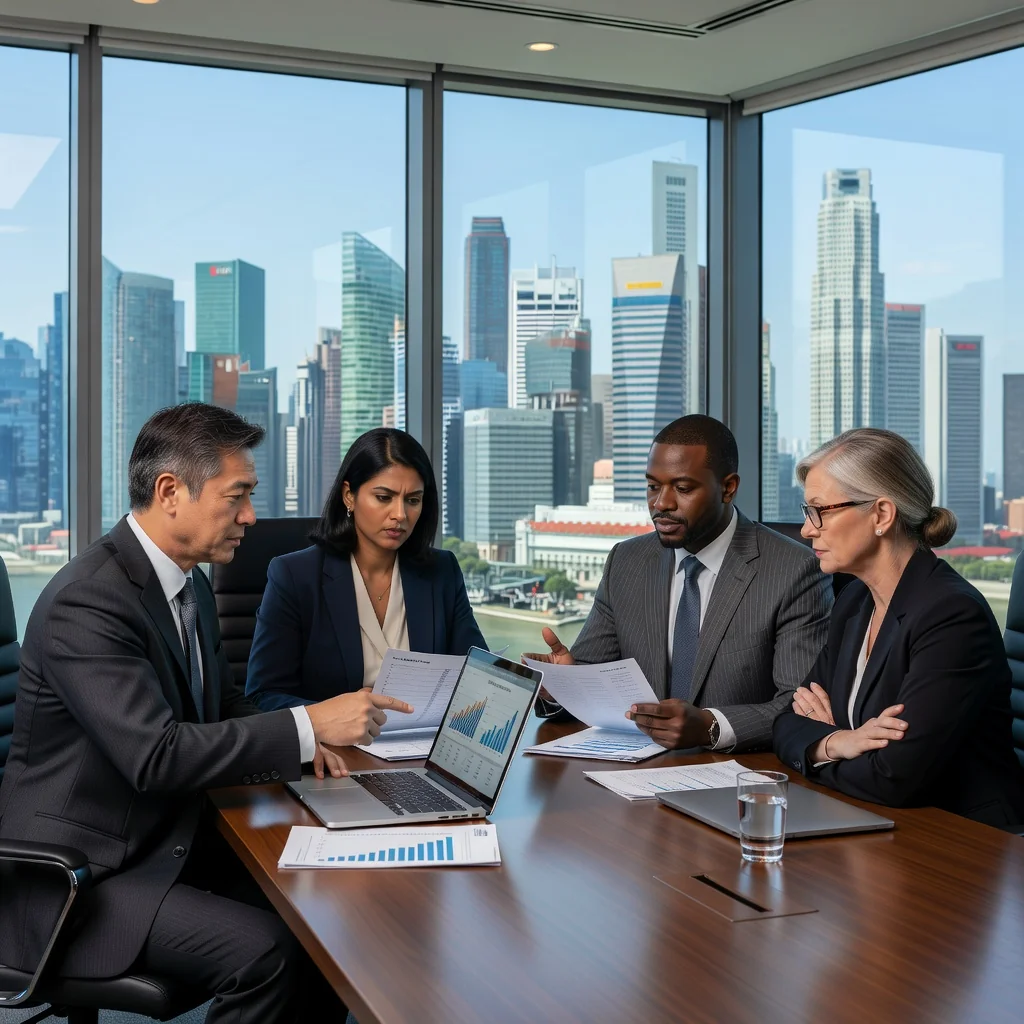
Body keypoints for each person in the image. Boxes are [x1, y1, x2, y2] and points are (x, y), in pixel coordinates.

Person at [0, 403, 412, 1023]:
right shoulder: (88, 601)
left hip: (162, 840)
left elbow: (220, 705)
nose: (250, 515)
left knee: (332, 912)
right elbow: (156, 755)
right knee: (269, 952)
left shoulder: (187, 583)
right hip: (81, 881)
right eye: (237, 495)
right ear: (170, 492)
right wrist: (308, 724)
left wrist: (309, 749)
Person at [526, 414, 831, 753]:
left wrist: (712, 727)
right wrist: (564, 686)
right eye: (653, 487)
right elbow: (592, 675)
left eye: (682, 489)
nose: (661, 504)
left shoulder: (793, 570)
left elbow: (801, 704)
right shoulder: (626, 561)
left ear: (728, 488)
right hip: (632, 773)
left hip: (735, 777)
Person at [773, 428, 1024, 825]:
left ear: (882, 515)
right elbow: (787, 721)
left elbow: (894, 777)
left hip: (961, 840)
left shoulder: (952, 615)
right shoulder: (854, 601)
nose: (807, 529)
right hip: (872, 821)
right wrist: (841, 741)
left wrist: (820, 746)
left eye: (819, 510)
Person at [246, 427, 486, 716]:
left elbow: (479, 679)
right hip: (337, 752)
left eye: (413, 500)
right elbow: (263, 696)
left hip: (420, 747)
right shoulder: (295, 576)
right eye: (384, 497)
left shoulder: (441, 571)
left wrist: (545, 685)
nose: (400, 514)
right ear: (349, 495)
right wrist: (335, 715)